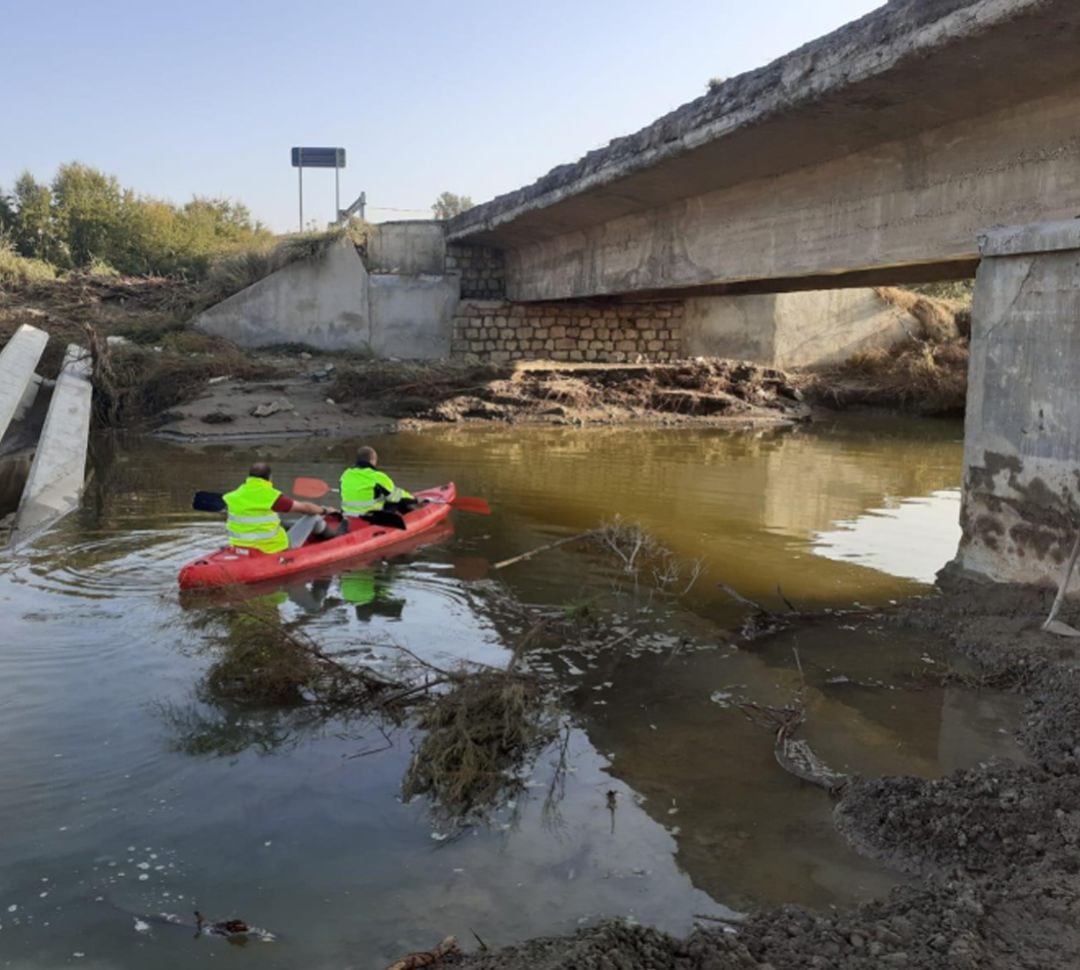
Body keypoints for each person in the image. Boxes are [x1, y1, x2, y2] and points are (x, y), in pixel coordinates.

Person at [223, 461, 333, 553]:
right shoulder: (272, 497)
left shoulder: (233, 496)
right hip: (271, 548)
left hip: (240, 545)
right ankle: (333, 540)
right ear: (270, 478)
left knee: (280, 522)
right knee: (314, 517)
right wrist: (325, 510)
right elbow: (307, 508)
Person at [339, 446, 416, 518]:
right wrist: (414, 499)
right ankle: (411, 518)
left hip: (348, 515)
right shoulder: (378, 476)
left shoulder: (345, 474)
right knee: (395, 501)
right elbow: (396, 496)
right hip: (371, 517)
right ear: (372, 460)